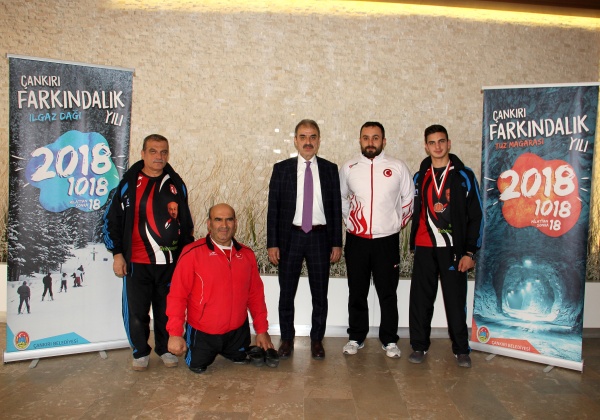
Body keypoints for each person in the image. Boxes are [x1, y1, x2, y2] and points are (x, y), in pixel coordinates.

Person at [103, 134, 194, 371]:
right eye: (153, 151)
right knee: (137, 312)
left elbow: (186, 223)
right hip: (136, 263)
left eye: (163, 152)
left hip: (169, 263)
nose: (159, 156)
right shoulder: (128, 184)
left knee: (166, 311)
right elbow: (111, 221)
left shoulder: (177, 184)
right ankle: (140, 351)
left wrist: (185, 257)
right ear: (143, 153)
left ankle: (165, 349)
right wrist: (117, 254)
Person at [166, 203, 275, 374]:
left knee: (241, 358)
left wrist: (262, 330)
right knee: (197, 367)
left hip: (237, 332)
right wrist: (175, 333)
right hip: (204, 333)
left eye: (229, 220)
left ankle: (233, 351)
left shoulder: (246, 255)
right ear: (209, 224)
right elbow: (177, 296)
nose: (224, 225)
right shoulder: (192, 253)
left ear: (235, 223)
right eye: (218, 220)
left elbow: (255, 295)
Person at [408, 124, 483, 368]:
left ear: (449, 143)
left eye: (441, 141)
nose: (437, 146)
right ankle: (419, 345)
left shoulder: (464, 176)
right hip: (424, 246)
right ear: (426, 146)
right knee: (421, 300)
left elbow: (477, 216)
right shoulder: (419, 177)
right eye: (432, 142)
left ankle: (461, 349)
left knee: (455, 300)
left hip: (453, 249)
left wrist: (470, 252)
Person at [267, 119, 343, 360]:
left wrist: (337, 242)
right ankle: (286, 339)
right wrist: (272, 243)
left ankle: (317, 340)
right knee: (286, 292)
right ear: (295, 141)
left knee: (320, 294)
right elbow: (273, 209)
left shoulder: (330, 169)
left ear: (319, 140)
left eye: (312, 137)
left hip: (320, 237)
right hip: (290, 237)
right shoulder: (282, 169)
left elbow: (336, 207)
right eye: (303, 137)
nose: (308, 142)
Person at [339, 121, 414, 358]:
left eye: (375, 138)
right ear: (360, 140)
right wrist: (351, 222)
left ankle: (389, 340)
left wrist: (395, 224)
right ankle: (356, 337)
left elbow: (409, 199)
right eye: (366, 138)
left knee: (388, 293)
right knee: (357, 291)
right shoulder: (349, 167)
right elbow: (341, 198)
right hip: (357, 241)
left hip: (386, 241)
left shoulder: (397, 167)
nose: (370, 142)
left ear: (384, 141)